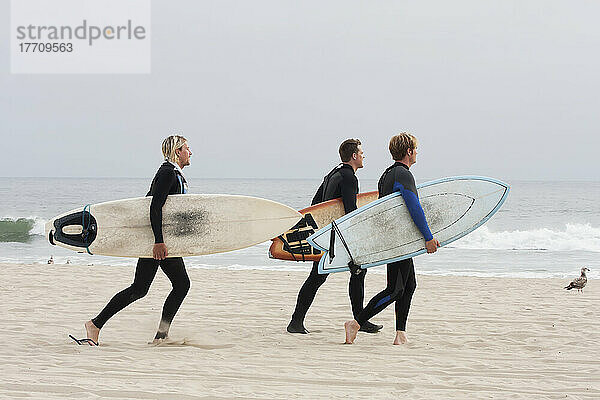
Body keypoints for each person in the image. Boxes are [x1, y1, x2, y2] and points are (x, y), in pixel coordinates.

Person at [84, 135, 193, 345]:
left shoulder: (173, 174)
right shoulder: (167, 173)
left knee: (141, 288)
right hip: (157, 240)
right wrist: (158, 241)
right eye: (187, 149)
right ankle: (159, 336)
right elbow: (154, 207)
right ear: (178, 152)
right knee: (180, 285)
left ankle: (96, 324)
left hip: (158, 238)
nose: (191, 153)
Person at [344, 132, 440, 345]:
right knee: (395, 289)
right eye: (415, 149)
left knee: (410, 284)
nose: (417, 153)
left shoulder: (387, 175)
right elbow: (414, 207)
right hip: (397, 241)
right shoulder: (403, 174)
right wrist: (428, 237)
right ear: (408, 151)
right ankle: (356, 323)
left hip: (395, 238)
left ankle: (400, 334)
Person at [287, 139, 383, 334]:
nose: (364, 156)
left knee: (322, 276)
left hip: (327, 233)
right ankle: (359, 320)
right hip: (339, 236)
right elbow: (350, 212)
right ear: (354, 156)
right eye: (362, 153)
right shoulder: (349, 177)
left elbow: (316, 204)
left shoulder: (332, 173)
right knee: (353, 272)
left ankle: (297, 321)